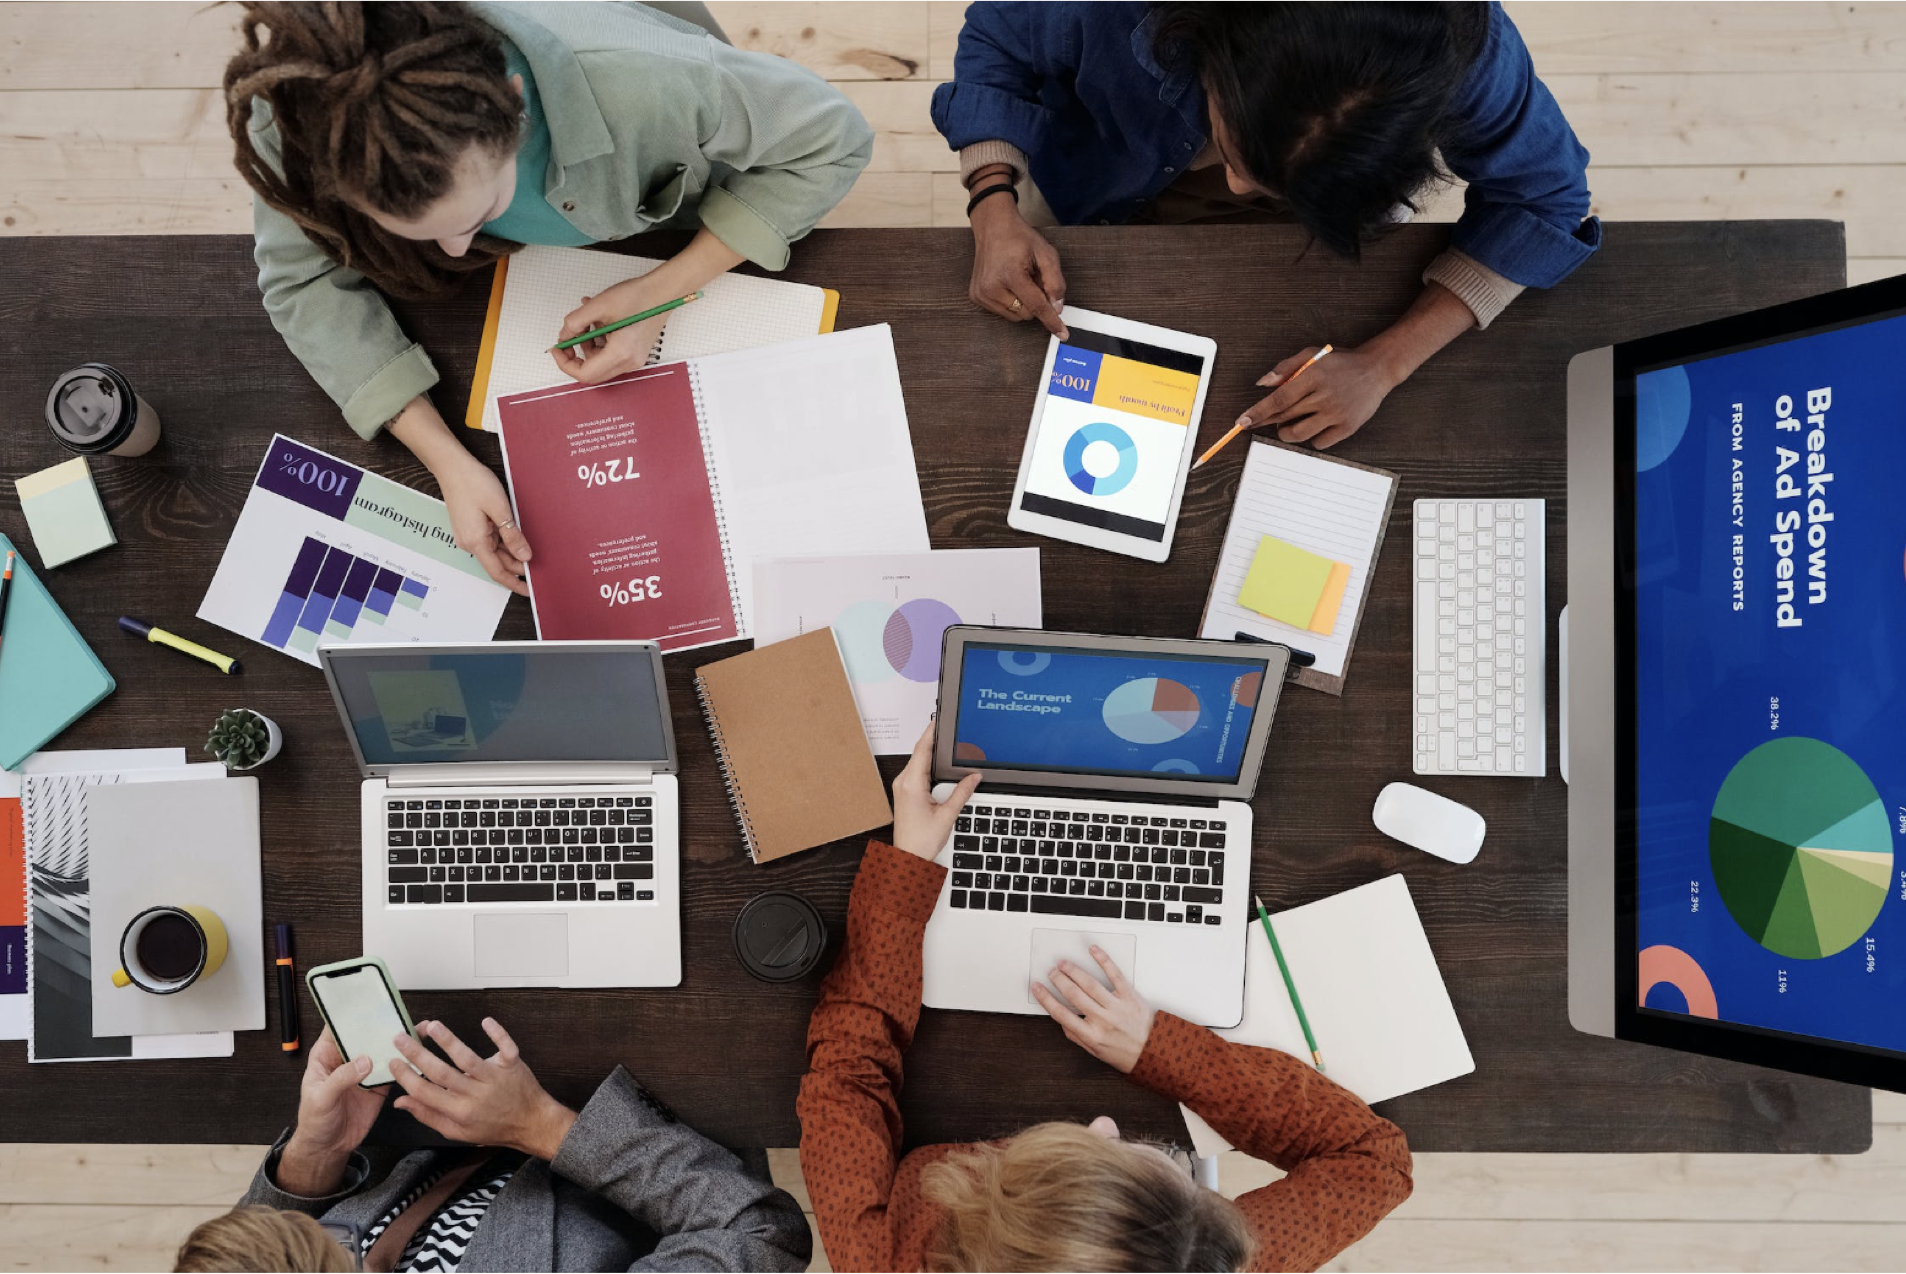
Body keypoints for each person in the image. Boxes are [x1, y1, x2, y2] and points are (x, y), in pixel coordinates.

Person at [224, 0, 874, 594]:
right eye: (419, 234)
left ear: (515, 101)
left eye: (479, 216)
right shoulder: (303, 117)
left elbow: (835, 139)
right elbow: (301, 280)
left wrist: (662, 290)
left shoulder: (657, 83)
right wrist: (445, 460)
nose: (456, 252)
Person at [796, 730, 1414, 1272]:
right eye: (1176, 1177)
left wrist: (906, 866)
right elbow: (1375, 1160)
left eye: (1092, 1158)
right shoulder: (1200, 1264)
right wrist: (1164, 1049)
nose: (1104, 1123)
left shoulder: (880, 1257)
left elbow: (847, 1075)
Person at [930, 0, 1598, 451]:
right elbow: (997, 38)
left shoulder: (1460, 52)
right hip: (1092, 175)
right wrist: (992, 205)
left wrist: (1385, 363)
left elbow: (1547, 199)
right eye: (1232, 145)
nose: (1234, 188)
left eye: (1273, 182)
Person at [176, 1017, 810, 1272]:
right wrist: (539, 1125)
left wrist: (314, 1156)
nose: (352, 1241)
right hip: (660, 1110)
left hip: (450, 1108)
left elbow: (256, 1246)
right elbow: (761, 1230)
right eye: (342, 1252)